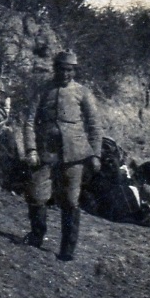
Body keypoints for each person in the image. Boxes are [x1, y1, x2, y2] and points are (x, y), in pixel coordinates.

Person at [23, 51, 102, 261]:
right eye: (61, 69)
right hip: (45, 150)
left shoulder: (83, 92)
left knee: (70, 200)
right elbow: (29, 121)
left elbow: (94, 126)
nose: (65, 74)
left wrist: (95, 154)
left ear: (74, 70)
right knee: (36, 194)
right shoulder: (43, 90)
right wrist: (31, 149)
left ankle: (67, 249)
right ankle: (36, 236)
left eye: (69, 70)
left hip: (74, 152)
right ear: (54, 69)